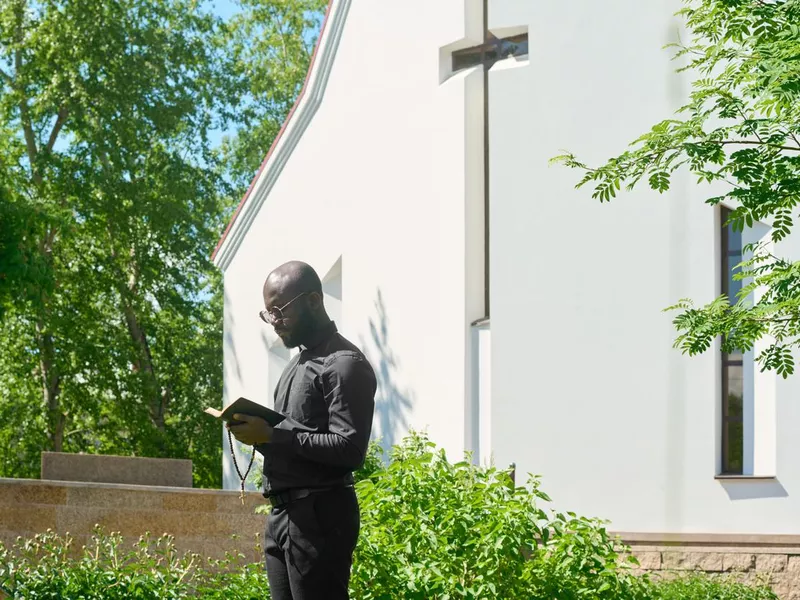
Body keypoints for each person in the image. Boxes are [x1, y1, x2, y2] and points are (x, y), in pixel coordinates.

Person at [227, 260, 377, 600]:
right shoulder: (295, 365)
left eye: (280, 310)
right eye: (268, 313)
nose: (274, 322)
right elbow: (294, 441)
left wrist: (271, 435)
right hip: (283, 515)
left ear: (313, 300)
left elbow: (349, 449)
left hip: (320, 515)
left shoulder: (343, 363)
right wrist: (255, 433)